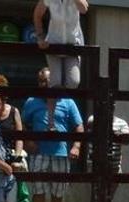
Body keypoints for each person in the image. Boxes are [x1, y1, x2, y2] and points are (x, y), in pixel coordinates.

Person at [22, 67, 83, 202]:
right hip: (39, 152)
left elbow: (79, 126)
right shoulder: (31, 101)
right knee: (38, 189)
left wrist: (76, 146)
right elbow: (21, 123)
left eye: (47, 81)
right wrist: (28, 142)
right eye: (41, 81)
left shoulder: (68, 102)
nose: (44, 84)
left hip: (60, 153)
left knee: (58, 190)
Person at [32, 0, 88, 130]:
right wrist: (40, 36)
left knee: (74, 82)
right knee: (55, 82)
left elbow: (84, 9)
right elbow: (37, 14)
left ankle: (62, 105)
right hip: (54, 42)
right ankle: (51, 122)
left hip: (72, 44)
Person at [85, 112, 129, 202]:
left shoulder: (122, 123)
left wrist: (115, 135)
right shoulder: (93, 118)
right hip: (95, 165)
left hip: (114, 166)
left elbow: (126, 141)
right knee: (96, 196)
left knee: (109, 197)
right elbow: (90, 125)